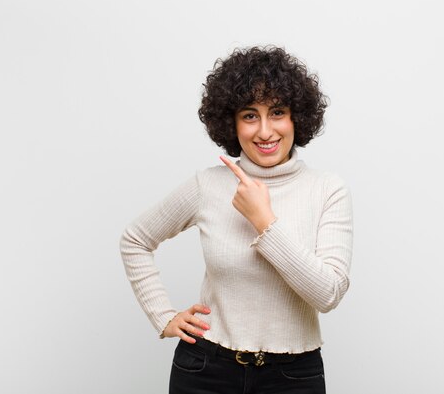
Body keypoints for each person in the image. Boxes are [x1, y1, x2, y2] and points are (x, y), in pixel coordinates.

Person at [119, 45, 354, 394]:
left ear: (297, 118)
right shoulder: (208, 185)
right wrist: (163, 315)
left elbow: (328, 294)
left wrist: (265, 222)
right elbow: (135, 240)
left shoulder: (327, 189)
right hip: (205, 370)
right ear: (231, 122)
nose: (264, 131)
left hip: (293, 377)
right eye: (249, 115)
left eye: (277, 112)